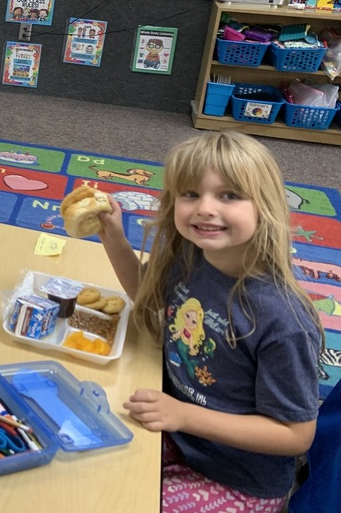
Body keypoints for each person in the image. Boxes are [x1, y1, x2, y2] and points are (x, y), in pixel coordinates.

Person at [96, 131, 322, 512]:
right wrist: (114, 238)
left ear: (264, 206)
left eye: (229, 195)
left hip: (235, 477)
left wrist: (183, 414)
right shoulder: (191, 257)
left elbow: (295, 435)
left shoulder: (283, 319)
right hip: (177, 430)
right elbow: (148, 297)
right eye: (190, 194)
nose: (204, 208)